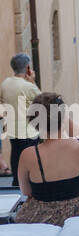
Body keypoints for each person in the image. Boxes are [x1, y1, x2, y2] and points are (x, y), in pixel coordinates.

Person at [14, 92, 79, 227]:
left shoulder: (29, 155)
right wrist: (63, 116)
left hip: (42, 217)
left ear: (34, 123)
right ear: (63, 117)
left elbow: (26, 192)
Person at [2, 53, 40, 187]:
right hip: (29, 129)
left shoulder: (6, 83)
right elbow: (43, 101)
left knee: (16, 155)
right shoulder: (29, 87)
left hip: (13, 128)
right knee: (31, 156)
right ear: (28, 67)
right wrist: (33, 81)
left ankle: (17, 182)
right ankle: (30, 183)